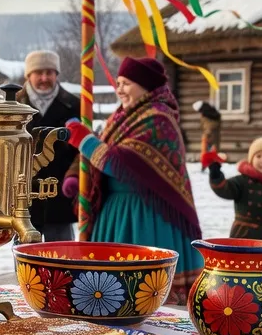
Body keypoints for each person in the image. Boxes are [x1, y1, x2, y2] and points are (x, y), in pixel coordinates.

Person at [62, 56, 202, 304]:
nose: (120, 90)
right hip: (115, 211)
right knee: (106, 291)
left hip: (145, 216)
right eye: (118, 83)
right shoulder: (123, 116)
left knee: (141, 289)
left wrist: (84, 140)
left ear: (145, 85)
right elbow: (103, 151)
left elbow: (121, 163)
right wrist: (76, 174)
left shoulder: (157, 119)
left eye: (126, 83)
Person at [20, 51, 81, 242]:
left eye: (49, 72)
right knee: (25, 262)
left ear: (57, 74)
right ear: (28, 75)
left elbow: (80, 150)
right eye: (39, 72)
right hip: (24, 195)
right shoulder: (13, 104)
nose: (44, 78)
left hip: (61, 196)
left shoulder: (74, 104)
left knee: (62, 259)